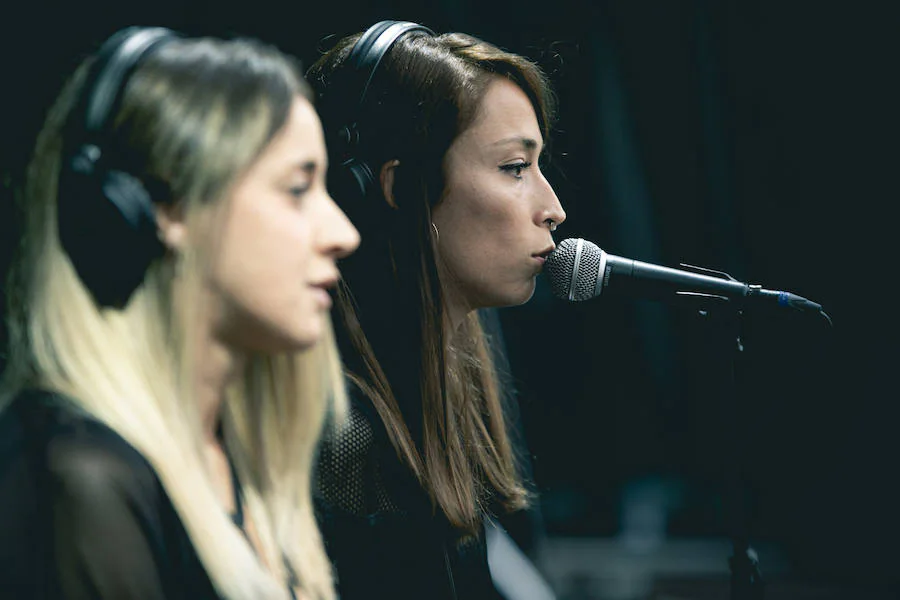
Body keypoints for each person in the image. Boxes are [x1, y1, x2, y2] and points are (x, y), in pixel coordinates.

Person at [0, 26, 359, 600]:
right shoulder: (76, 482)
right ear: (164, 208)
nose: (344, 232)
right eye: (297, 189)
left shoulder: (236, 452)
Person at [306, 20, 566, 599]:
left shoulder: (431, 397)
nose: (553, 209)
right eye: (514, 168)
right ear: (400, 188)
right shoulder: (345, 443)